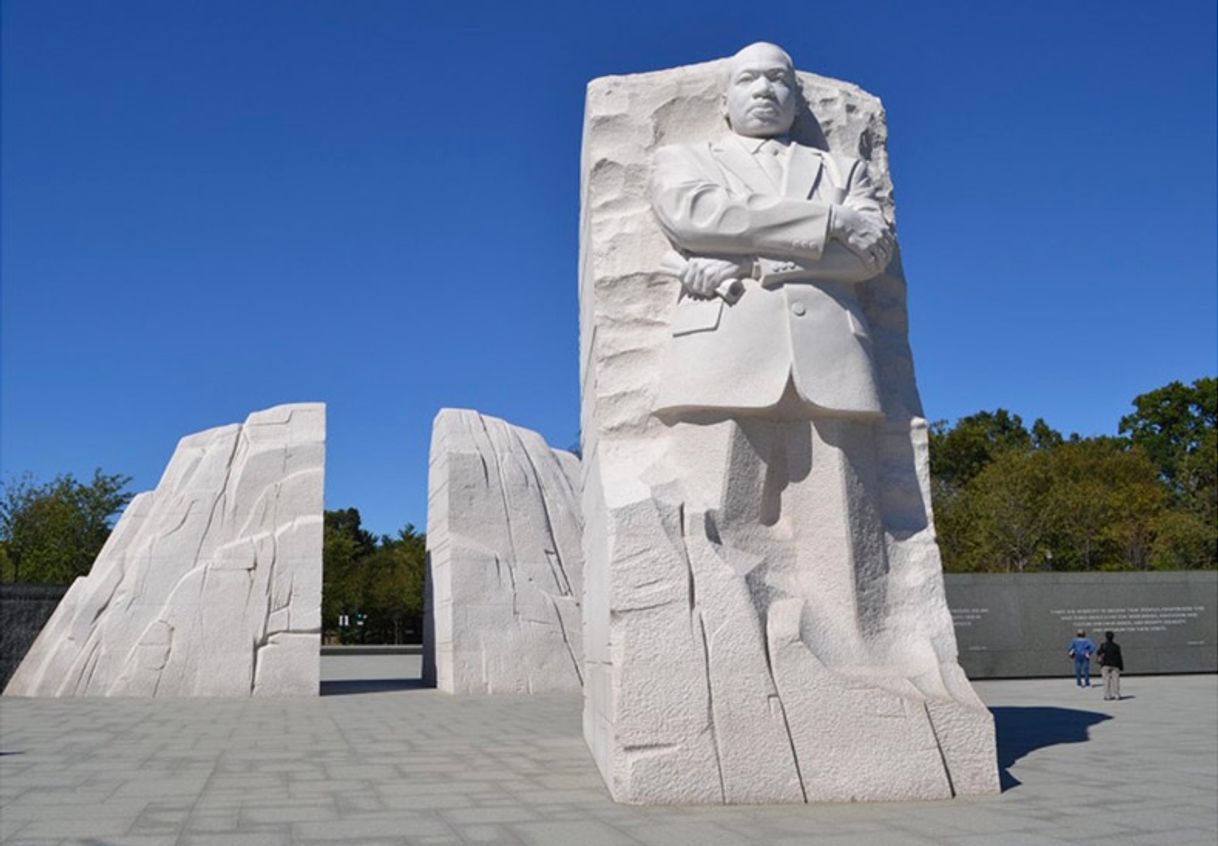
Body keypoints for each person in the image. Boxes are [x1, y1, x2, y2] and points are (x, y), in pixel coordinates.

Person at [647, 42, 898, 667]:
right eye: (750, 79)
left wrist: (757, 258)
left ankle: (856, 661)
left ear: (796, 97)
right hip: (723, 354)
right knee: (718, 522)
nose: (765, 90)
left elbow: (872, 253)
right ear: (725, 100)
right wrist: (825, 226)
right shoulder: (686, 159)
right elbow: (696, 215)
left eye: (779, 80)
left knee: (844, 533)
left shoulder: (842, 169)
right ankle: (725, 662)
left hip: (833, 358)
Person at [1096, 630, 1124, 700]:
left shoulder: (1103, 645)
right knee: (1116, 680)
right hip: (1115, 665)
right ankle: (1117, 695)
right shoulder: (1116, 646)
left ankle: (1107, 695)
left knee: (1106, 680)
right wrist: (1121, 666)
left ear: (1106, 637)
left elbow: (1098, 653)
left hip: (1105, 665)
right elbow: (1119, 657)